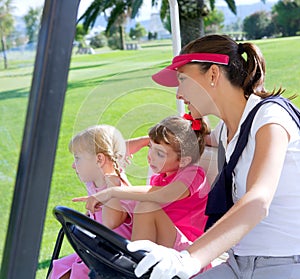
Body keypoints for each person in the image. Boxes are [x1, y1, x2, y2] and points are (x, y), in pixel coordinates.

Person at [125, 34, 300, 279]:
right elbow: (185, 139)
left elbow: (258, 200)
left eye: (183, 80)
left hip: (285, 264)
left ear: (214, 75)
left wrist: (189, 258)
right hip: (239, 263)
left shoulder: (271, 119)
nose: (178, 94)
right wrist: (142, 142)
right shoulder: (227, 130)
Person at [77, 115, 212, 271]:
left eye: (159, 153)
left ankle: (133, 267)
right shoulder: (160, 177)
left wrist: (113, 192)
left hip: (187, 253)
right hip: (163, 244)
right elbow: (114, 155)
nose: (150, 157)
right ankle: (133, 264)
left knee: (146, 205)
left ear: (183, 161)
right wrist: (150, 139)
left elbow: (162, 194)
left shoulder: (193, 174)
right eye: (150, 148)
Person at [49, 125, 135, 279]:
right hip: (98, 250)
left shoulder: (118, 188)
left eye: (77, 158)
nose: (73, 165)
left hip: (117, 260)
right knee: (60, 269)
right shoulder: (93, 183)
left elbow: (110, 222)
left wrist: (111, 189)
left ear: (99, 159)